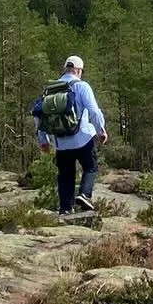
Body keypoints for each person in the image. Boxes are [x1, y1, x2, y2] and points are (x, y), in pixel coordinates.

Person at [33, 55, 108, 216]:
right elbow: (94, 111)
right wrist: (101, 130)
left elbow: (39, 115)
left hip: (60, 142)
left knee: (65, 175)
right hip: (82, 138)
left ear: (65, 68)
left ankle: (65, 208)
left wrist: (43, 140)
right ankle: (84, 194)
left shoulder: (51, 89)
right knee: (90, 167)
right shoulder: (82, 86)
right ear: (79, 70)